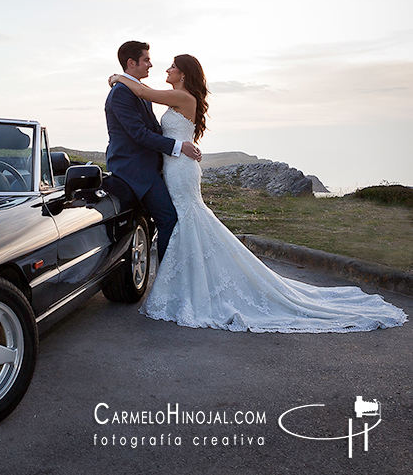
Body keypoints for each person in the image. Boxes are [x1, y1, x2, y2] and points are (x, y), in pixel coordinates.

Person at [109, 54, 407, 332]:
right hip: (176, 167)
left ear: (184, 74)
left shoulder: (181, 96)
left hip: (182, 169)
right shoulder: (179, 99)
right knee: (187, 222)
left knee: (187, 219)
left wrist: (118, 77)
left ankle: (180, 286)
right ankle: (185, 284)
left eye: (172, 67)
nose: (166, 70)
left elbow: (144, 93)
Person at [103, 41, 202, 259]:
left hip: (158, 166)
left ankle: (173, 272)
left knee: (171, 218)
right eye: (146, 60)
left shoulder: (138, 90)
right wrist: (179, 146)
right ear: (131, 63)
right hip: (135, 169)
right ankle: (168, 276)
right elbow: (139, 134)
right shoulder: (122, 93)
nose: (151, 64)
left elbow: (155, 128)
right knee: (168, 218)